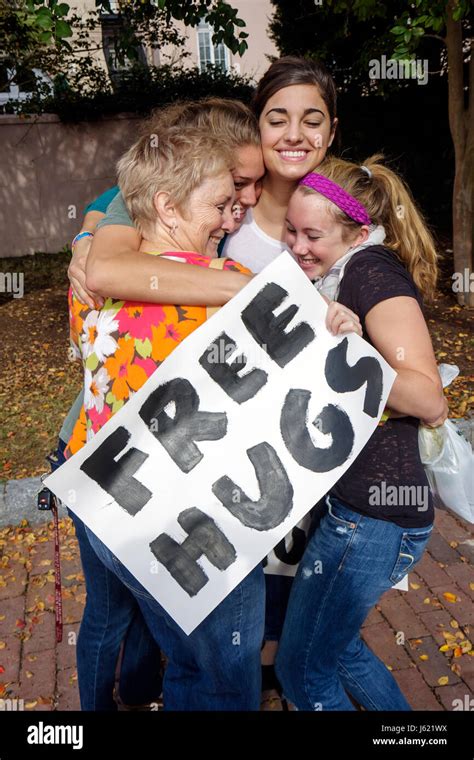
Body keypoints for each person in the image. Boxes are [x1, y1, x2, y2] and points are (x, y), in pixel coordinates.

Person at [68, 57, 340, 708]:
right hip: (196, 532)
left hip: (108, 508)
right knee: (221, 679)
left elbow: (107, 251)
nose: (232, 215)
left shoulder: (101, 271)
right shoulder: (200, 297)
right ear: (167, 204)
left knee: (178, 656)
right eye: (224, 199)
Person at [275, 155, 448, 711]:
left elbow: (427, 397)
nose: (297, 245)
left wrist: (355, 348)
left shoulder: (370, 270)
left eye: (313, 234)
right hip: (360, 508)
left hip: (373, 518)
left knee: (301, 671)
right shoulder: (334, 273)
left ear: (354, 231)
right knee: (339, 650)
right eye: (290, 229)